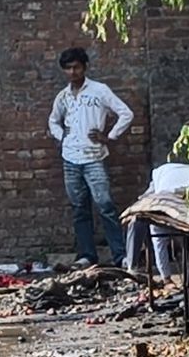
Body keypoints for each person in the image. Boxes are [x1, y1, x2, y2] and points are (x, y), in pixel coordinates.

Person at [47, 47, 133, 269]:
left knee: (105, 205)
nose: (73, 72)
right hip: (70, 158)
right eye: (68, 68)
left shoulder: (99, 90)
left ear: (84, 67)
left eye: (76, 67)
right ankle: (87, 255)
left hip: (94, 157)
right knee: (79, 208)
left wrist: (109, 137)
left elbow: (125, 113)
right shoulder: (63, 96)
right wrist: (61, 138)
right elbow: (53, 120)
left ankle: (120, 255)